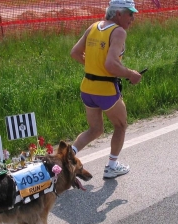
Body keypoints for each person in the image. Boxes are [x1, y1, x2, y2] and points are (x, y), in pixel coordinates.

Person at [70, 0, 143, 179]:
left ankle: (66, 157)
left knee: (95, 129)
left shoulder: (93, 27)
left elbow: (75, 53)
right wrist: (131, 74)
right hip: (105, 90)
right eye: (130, 13)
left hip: (87, 87)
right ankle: (112, 166)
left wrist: (94, 66)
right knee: (120, 125)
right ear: (118, 14)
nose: (132, 18)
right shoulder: (118, 31)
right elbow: (111, 64)